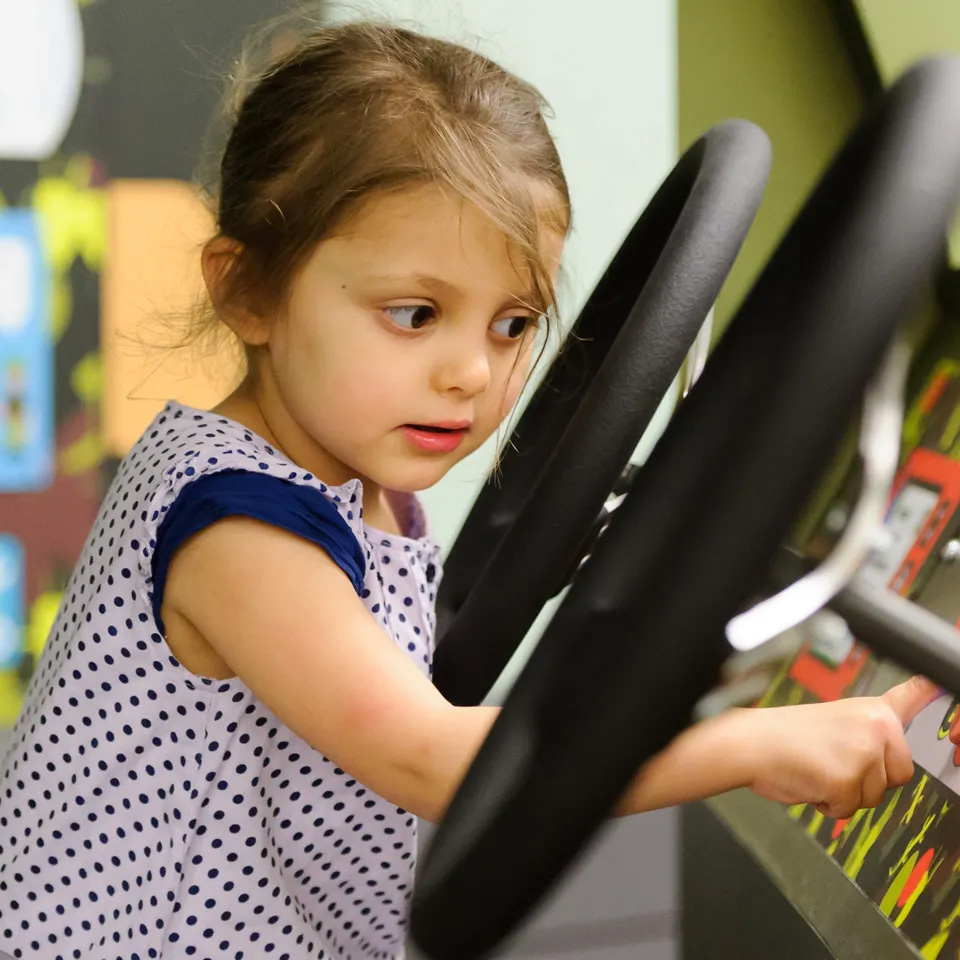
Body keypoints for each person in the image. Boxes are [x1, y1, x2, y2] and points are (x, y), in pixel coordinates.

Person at [0, 19, 944, 960]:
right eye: (415, 315)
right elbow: (429, 760)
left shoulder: (352, 476)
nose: (472, 374)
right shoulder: (240, 530)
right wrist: (755, 748)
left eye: (513, 324)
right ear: (248, 292)